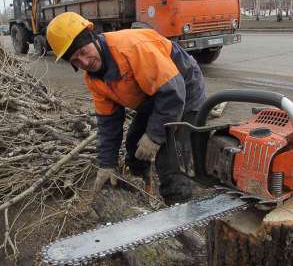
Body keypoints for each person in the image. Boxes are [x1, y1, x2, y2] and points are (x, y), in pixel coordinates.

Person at [46, 12, 206, 205]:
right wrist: (107, 164)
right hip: (153, 96)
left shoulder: (131, 49)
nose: (85, 62)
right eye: (76, 61)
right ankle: (143, 191)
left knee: (169, 157)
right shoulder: (94, 80)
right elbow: (108, 123)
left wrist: (155, 136)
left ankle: (180, 207)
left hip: (183, 90)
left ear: (92, 37)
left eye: (83, 52)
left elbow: (172, 93)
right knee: (134, 146)